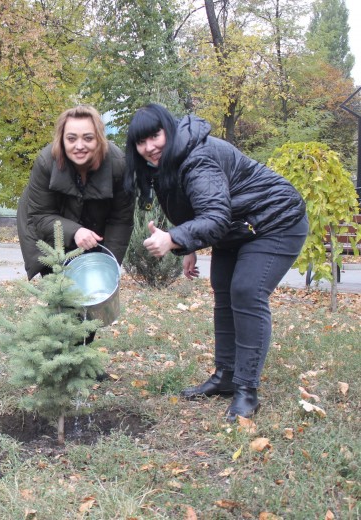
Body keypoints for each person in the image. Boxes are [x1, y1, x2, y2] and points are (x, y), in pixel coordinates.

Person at [124, 103, 308, 421]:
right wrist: (188, 244)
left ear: (168, 128)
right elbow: (189, 204)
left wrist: (174, 239)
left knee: (247, 292)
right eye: (141, 142)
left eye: (155, 136)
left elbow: (215, 216)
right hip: (238, 227)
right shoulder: (167, 160)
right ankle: (226, 376)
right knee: (223, 291)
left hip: (277, 219)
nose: (150, 147)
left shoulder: (198, 157)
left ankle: (246, 391)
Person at [17, 105, 135, 280]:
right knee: (62, 293)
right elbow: (40, 215)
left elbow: (121, 220)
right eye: (71, 139)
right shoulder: (46, 162)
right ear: (62, 140)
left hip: (96, 229)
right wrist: (75, 231)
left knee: (96, 284)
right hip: (48, 231)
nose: (79, 146)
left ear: (99, 139)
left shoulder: (118, 164)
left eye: (88, 138)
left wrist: (109, 264)